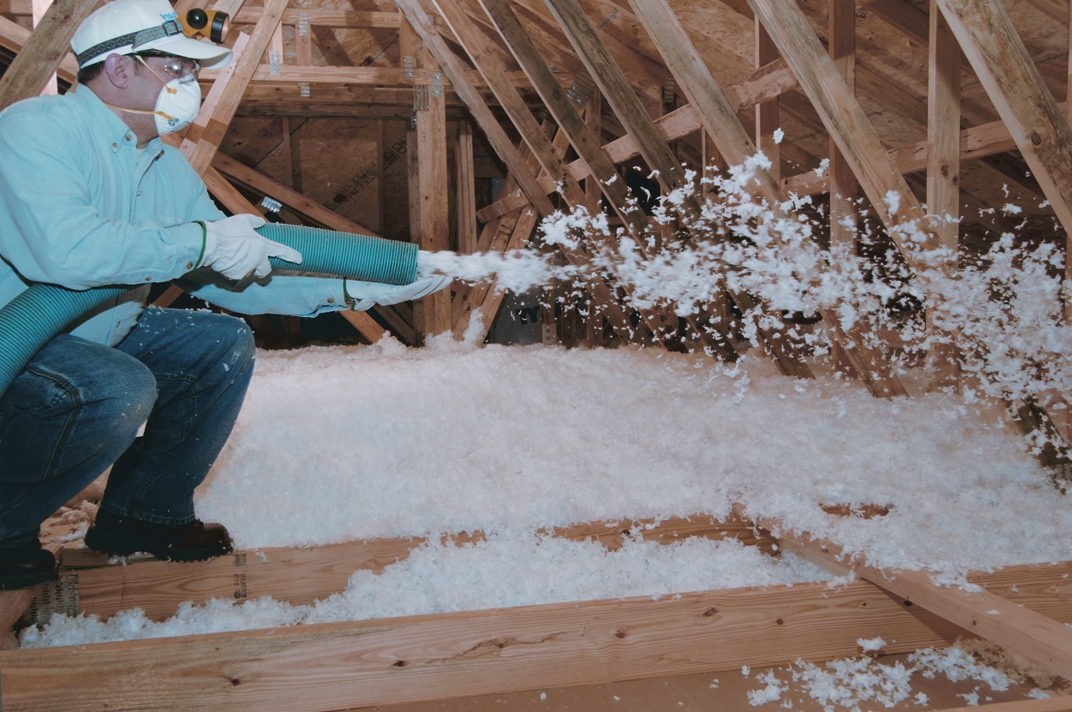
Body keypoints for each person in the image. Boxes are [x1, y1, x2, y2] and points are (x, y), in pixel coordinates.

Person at [0, 0, 449, 590]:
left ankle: (144, 514)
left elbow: (229, 268)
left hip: (96, 327)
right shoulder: (33, 130)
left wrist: (348, 287)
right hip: (19, 339)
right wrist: (200, 241)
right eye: (176, 68)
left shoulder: (164, 166)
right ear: (118, 70)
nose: (188, 84)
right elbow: (72, 255)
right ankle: (6, 527)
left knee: (218, 344)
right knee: (116, 386)